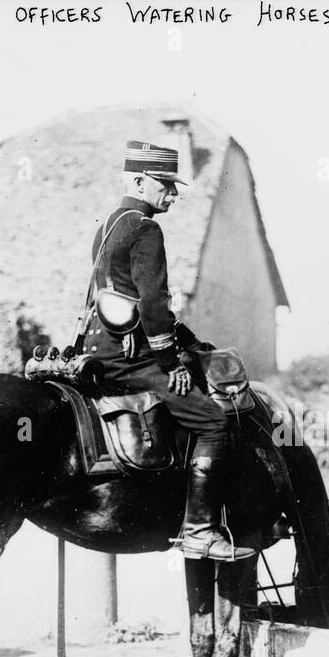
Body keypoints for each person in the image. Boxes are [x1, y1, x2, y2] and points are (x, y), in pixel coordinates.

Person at [76, 140, 253, 562]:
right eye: (165, 185)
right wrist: (171, 362)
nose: (172, 195)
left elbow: (105, 294)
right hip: (130, 358)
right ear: (138, 180)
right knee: (214, 421)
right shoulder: (145, 227)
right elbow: (154, 304)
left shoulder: (108, 226)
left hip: (99, 349)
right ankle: (200, 530)